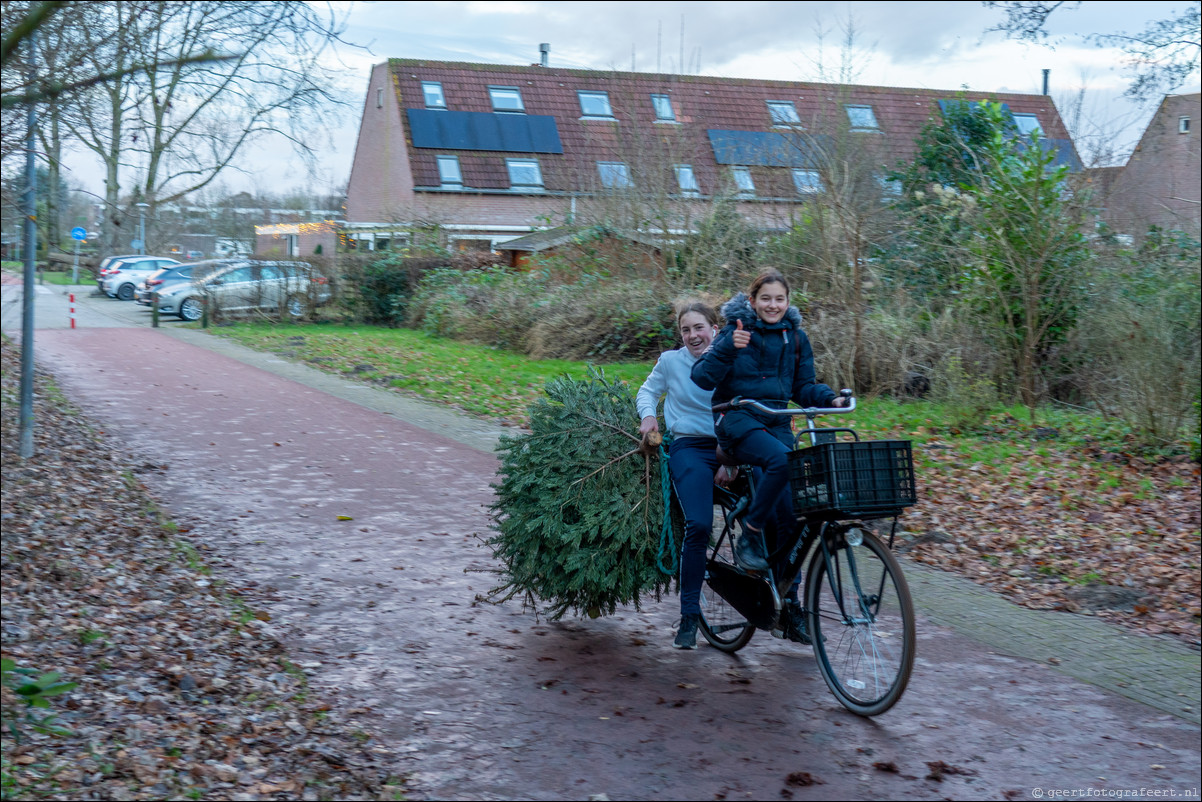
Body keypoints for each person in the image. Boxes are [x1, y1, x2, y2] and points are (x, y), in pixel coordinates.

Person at [690, 270, 843, 640]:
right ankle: (750, 534)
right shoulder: (735, 329)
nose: (773, 306)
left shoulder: (796, 337)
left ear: (787, 302)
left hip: (776, 424)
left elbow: (803, 386)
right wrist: (728, 346)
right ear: (753, 300)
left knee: (791, 517)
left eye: (780, 299)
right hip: (737, 419)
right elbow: (702, 378)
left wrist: (832, 399)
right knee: (779, 462)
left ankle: (788, 608)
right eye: (766, 299)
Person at [636, 301, 734, 650]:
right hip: (690, 448)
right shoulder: (671, 362)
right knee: (700, 525)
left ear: (715, 330)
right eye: (686, 330)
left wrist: (732, 460)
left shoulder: (733, 359)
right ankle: (690, 616)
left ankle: (784, 603)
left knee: (771, 512)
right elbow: (647, 391)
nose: (693, 335)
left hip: (732, 445)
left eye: (699, 328)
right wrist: (649, 418)